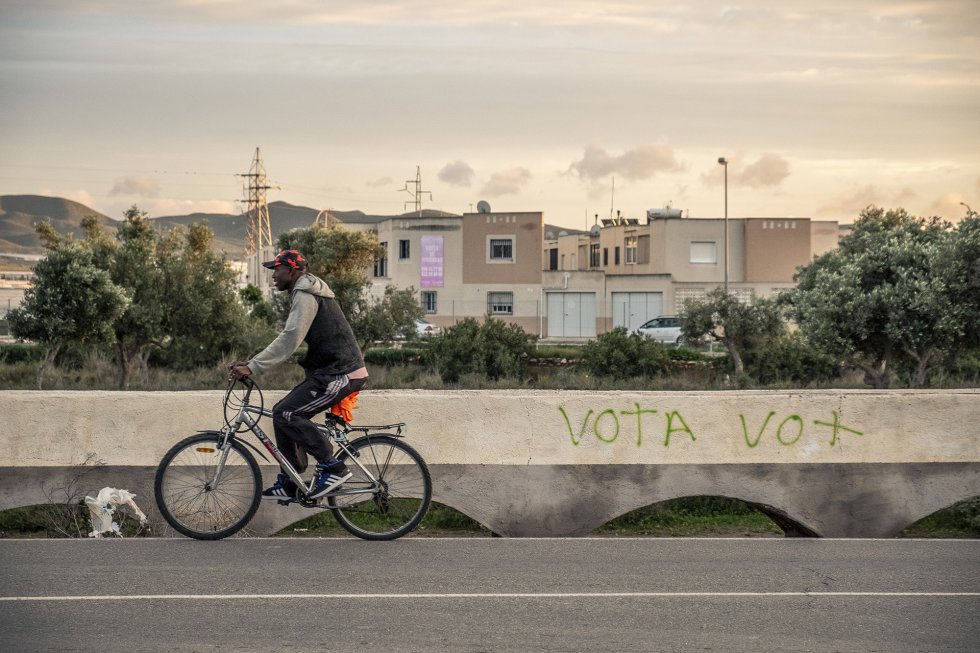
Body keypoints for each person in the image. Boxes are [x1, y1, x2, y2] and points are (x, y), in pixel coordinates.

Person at [229, 249, 368, 502]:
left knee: (288, 413)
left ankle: (333, 467)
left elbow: (291, 336)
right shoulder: (305, 291)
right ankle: (292, 480)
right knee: (282, 412)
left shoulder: (305, 294)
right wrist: (252, 362)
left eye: (277, 270)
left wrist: (254, 366)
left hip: (341, 372)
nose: (273, 276)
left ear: (291, 270)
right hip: (330, 371)